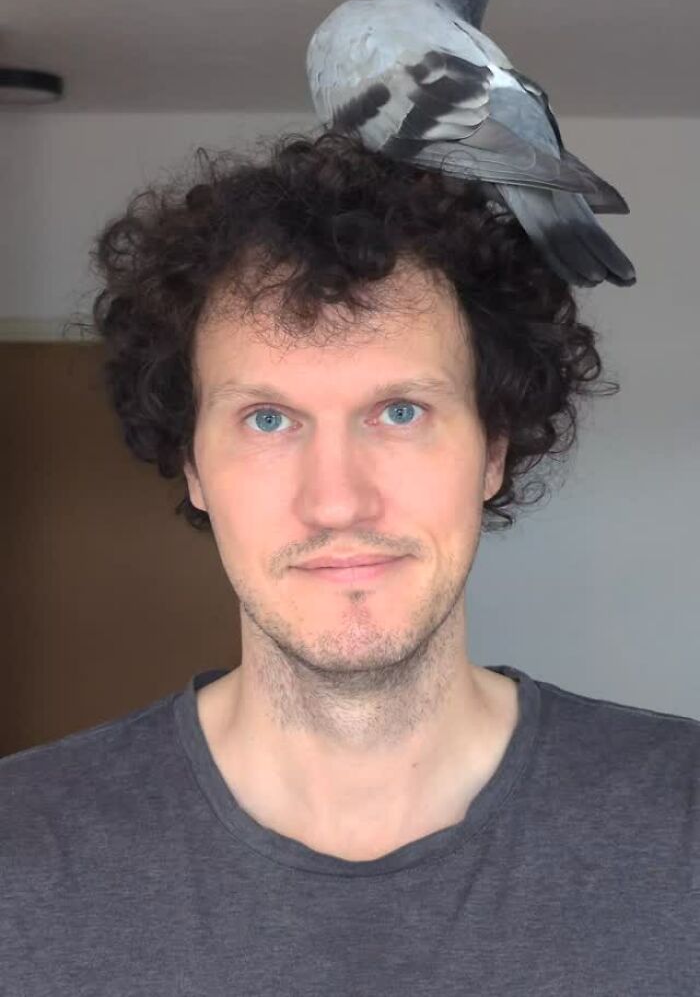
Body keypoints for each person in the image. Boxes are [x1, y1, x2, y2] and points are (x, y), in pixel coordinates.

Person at [1, 129, 698, 993]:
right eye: (267, 419)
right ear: (192, 465)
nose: (337, 499)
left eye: (399, 412)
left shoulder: (683, 827)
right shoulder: (19, 851)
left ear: (492, 449)